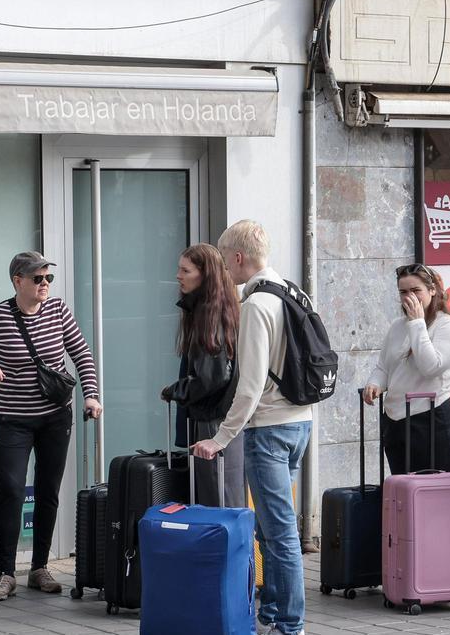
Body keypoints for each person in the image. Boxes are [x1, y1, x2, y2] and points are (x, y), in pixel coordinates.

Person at [0, 252, 102, 600]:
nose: (45, 285)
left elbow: (81, 353)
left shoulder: (59, 311)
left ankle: (39, 568)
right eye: (38, 279)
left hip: (55, 416)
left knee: (49, 490)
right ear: (17, 281)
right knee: (10, 488)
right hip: (13, 418)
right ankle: (6, 572)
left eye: (48, 278)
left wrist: (91, 395)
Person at [191, 220, 313, 635]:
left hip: (270, 430)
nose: (224, 269)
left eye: (225, 261)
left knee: (279, 535)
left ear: (239, 258)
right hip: (300, 424)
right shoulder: (292, 291)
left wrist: (222, 437)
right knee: (269, 527)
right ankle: (272, 612)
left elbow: (252, 383)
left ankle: (291, 625)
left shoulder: (257, 305)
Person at [160, 243, 245, 507]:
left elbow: (213, 376)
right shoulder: (219, 309)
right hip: (220, 417)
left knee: (217, 499)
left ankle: (226, 549)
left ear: (204, 274)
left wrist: (177, 390)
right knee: (222, 498)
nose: (178, 276)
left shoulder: (210, 315)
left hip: (213, 419)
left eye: (185, 270)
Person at [363, 263, 450, 474]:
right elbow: (384, 366)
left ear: (432, 290)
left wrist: (418, 323)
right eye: (403, 292)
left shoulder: (448, 325)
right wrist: (375, 383)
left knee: (434, 492)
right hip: (396, 420)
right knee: (403, 492)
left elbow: (431, 366)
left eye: (416, 290)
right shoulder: (397, 326)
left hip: (431, 417)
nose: (410, 297)